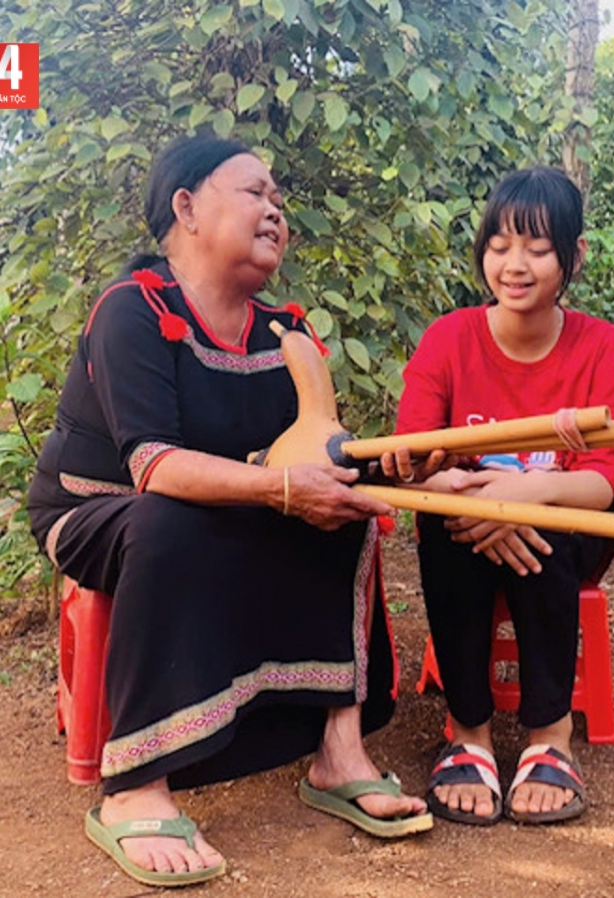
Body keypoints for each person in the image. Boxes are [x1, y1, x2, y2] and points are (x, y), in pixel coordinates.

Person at [27, 134, 431, 888]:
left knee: (344, 511)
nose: (275, 210)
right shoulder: (132, 310)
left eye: (279, 199)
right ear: (186, 208)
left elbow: (311, 450)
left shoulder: (287, 333)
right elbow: (154, 467)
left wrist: (392, 466)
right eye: (254, 192)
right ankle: (136, 787)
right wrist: (285, 490)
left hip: (225, 503)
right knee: (169, 516)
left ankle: (338, 750)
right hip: (97, 509)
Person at [384, 167, 614, 825]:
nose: (514, 265)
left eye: (537, 248)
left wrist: (526, 495)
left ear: (575, 255)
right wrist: (461, 492)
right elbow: (413, 461)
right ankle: (468, 732)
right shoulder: (449, 339)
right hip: (465, 521)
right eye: (499, 245)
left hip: (566, 530)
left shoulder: (604, 348)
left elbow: (602, 482)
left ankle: (550, 735)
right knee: (446, 527)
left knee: (544, 526)